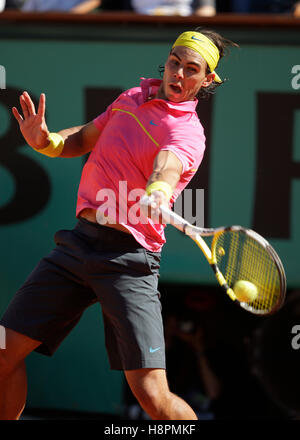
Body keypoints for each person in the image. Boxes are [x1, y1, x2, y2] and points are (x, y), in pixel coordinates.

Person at [0, 28, 236, 420]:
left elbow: (168, 164)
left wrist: (159, 189)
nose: (177, 74)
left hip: (129, 261)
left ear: (207, 80)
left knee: (152, 397)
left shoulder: (188, 133)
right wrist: (47, 141)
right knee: (4, 352)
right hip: (77, 246)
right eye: (175, 62)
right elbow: (83, 139)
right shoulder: (130, 98)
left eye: (191, 69)